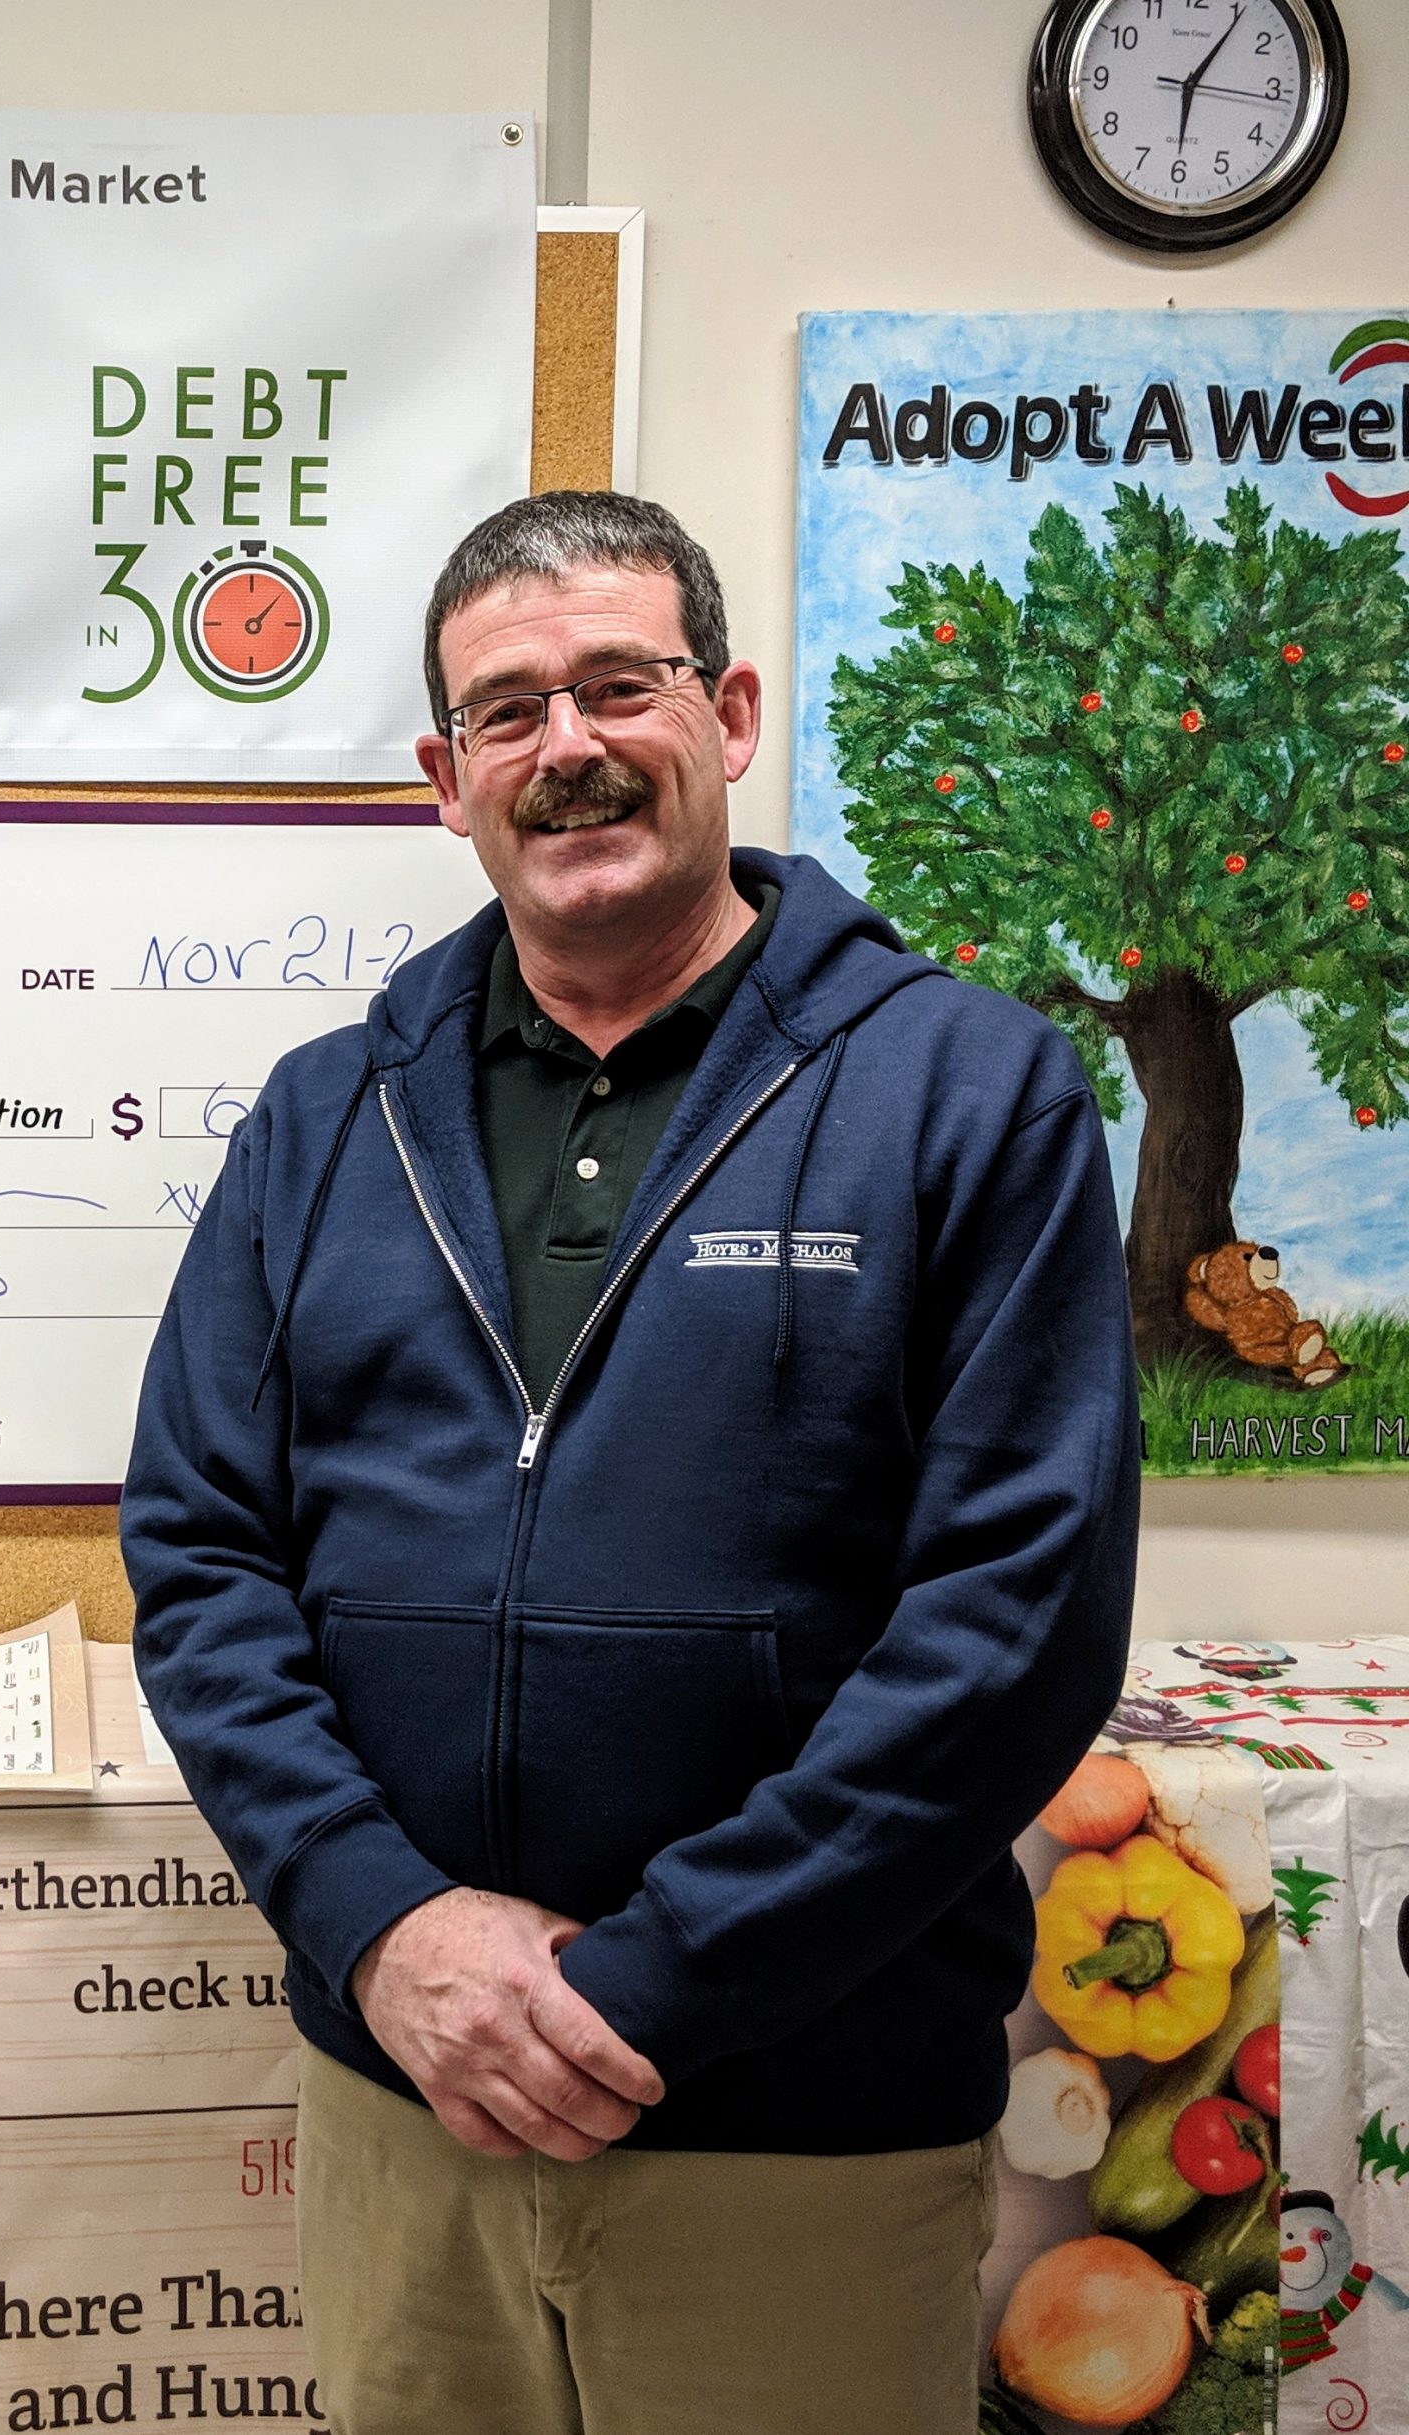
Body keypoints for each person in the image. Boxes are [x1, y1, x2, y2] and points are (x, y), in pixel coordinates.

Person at [122, 491, 1139, 2435]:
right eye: (505, 710)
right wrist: (387, 1924)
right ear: (443, 776)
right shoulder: (323, 1117)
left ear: (728, 708)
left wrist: (653, 1979)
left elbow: (1012, 1621)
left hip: (798, 2128)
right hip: (401, 2096)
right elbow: (198, 1548)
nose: (565, 745)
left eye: (617, 682)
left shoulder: (968, 1089)